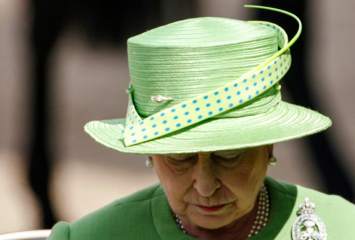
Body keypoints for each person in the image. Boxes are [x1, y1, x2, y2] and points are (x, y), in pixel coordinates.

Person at [48, 6, 355, 240]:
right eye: (180, 158)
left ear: (269, 145)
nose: (206, 187)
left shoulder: (344, 229)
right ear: (150, 153)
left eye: (229, 156)